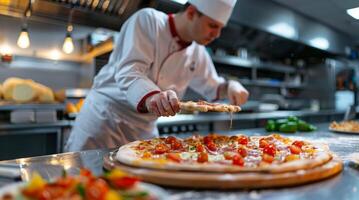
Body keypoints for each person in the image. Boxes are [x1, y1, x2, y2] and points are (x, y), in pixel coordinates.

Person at [65, 0, 249, 151]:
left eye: (220, 28)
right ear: (192, 13)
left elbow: (213, 87)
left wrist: (231, 86)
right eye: (212, 25)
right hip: (105, 120)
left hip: (145, 129)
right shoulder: (148, 20)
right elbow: (130, 72)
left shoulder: (198, 52)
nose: (217, 34)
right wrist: (153, 96)